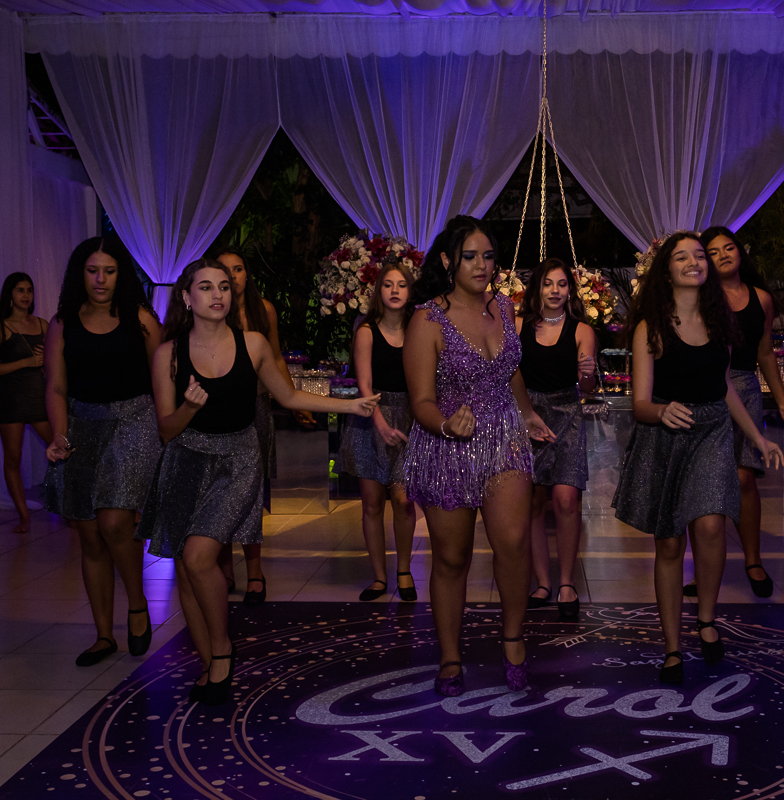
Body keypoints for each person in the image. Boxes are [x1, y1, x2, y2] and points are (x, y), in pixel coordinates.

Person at [139, 258, 378, 705]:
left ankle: (222, 649)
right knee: (188, 571)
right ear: (187, 297)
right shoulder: (167, 354)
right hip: (185, 461)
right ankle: (208, 661)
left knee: (197, 557)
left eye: (223, 286)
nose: (217, 294)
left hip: (238, 460)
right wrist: (189, 408)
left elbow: (288, 395)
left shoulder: (252, 344)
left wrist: (350, 406)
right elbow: (166, 429)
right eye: (205, 287)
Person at [613, 232, 782, 685]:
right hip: (666, 437)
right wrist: (661, 411)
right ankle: (672, 646)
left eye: (699, 255)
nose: (695, 262)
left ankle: (706, 618)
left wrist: (758, 437)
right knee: (670, 544)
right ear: (666, 270)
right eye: (682, 256)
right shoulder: (650, 327)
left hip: (712, 431)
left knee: (710, 526)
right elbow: (639, 404)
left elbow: (723, 386)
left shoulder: (719, 320)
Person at [401, 215, 554, 697]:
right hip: (446, 445)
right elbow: (420, 401)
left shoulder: (504, 307)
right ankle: (450, 657)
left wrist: (527, 414)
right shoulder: (427, 319)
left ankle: (513, 640)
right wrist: (448, 425)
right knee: (452, 558)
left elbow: (510, 370)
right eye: (470, 256)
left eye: (488, 256)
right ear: (448, 261)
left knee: (514, 542)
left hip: (505, 437)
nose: (482, 265)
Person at [43, 237, 163, 667]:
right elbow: (56, 387)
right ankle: (102, 635)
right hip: (81, 426)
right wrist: (59, 435)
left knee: (114, 521)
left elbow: (162, 380)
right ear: (81, 274)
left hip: (134, 422)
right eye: (93, 271)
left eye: (109, 271)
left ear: (120, 275)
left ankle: (137, 603)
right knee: (89, 532)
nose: (100, 279)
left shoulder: (142, 319)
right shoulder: (62, 323)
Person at [683, 227, 784, 600]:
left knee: (744, 479)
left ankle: (754, 560)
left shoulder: (761, 299)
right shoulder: (700, 298)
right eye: (713, 252)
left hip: (746, 388)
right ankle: (703, 570)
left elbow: (765, 352)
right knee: (703, 484)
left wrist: (782, 400)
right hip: (706, 388)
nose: (723, 255)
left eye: (729, 248)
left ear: (740, 252)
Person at [514, 258, 597, 619]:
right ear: (537, 288)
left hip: (567, 417)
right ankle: (543, 582)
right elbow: (507, 375)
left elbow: (587, 387)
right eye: (548, 283)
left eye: (562, 284)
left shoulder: (582, 330)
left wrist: (588, 374)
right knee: (532, 503)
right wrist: (524, 413)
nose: (555, 290)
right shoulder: (518, 326)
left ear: (569, 290)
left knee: (565, 500)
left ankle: (566, 583)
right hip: (526, 416)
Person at [339, 261, 419, 602]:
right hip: (371, 417)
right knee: (372, 503)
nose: (395, 290)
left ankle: (404, 571)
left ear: (410, 291)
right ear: (379, 291)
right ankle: (378, 577)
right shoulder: (367, 331)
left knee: (403, 500)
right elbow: (365, 386)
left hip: (410, 418)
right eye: (388, 284)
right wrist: (382, 425)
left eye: (401, 284)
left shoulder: (418, 329)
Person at [211, 247, 286, 605]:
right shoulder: (211, 311)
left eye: (238, 269)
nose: (233, 276)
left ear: (246, 274)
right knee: (220, 489)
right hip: (218, 407)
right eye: (225, 270)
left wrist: (293, 400)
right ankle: (225, 569)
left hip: (256, 406)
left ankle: (255, 571)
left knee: (252, 492)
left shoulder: (263, 309)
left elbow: (277, 357)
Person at [0, 272, 52, 533]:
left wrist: (46, 359)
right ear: (10, 295)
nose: (26, 295)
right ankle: (23, 516)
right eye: (20, 290)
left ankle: (67, 507)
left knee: (61, 450)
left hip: (39, 397)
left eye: (29, 290)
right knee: (13, 457)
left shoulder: (43, 324)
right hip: (10, 399)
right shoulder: (0, 327)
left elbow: (57, 363)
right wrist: (26, 362)